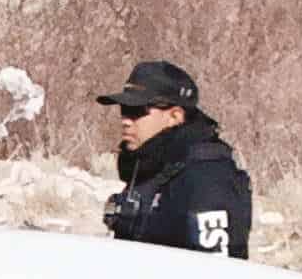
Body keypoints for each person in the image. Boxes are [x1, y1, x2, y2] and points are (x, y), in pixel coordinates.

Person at [98, 60, 254, 261]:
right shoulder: (151, 165)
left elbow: (221, 274)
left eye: (137, 111)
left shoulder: (208, 178)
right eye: (124, 110)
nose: (126, 120)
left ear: (174, 116)